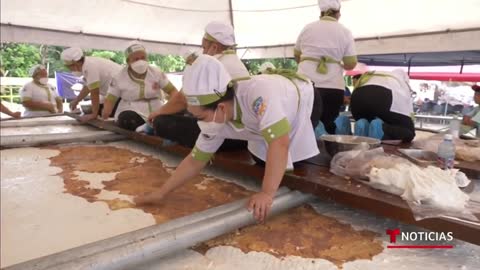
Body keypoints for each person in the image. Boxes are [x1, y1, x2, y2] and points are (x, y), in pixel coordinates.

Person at [135, 55, 319, 222]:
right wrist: (162, 192)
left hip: (304, 99)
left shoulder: (259, 96)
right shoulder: (217, 117)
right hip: (266, 117)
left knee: (298, 166)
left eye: (200, 117)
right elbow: (194, 161)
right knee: (266, 163)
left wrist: (266, 193)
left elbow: (280, 143)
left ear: (221, 108)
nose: (200, 123)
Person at [150, 21, 249, 149]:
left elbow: (182, 100)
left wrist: (157, 113)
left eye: (204, 47)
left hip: (227, 136)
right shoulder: (235, 62)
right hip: (245, 136)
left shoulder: (213, 65)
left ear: (214, 47)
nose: (203, 51)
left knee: (161, 122)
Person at [294, 0, 357, 134]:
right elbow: (351, 63)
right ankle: (328, 151)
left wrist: (310, 63)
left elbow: (297, 55)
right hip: (333, 86)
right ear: (338, 13)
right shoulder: (345, 31)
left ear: (321, 12)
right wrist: (336, 63)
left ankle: (303, 152)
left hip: (306, 83)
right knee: (328, 122)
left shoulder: (308, 28)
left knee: (305, 122)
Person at [101, 42, 179, 131]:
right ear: (128, 61)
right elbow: (110, 99)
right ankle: (149, 128)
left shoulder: (156, 72)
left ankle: (150, 127)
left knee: (173, 118)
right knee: (127, 119)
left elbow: (172, 91)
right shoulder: (119, 77)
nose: (140, 61)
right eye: (136, 59)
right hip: (132, 109)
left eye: (143, 58)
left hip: (156, 109)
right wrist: (105, 114)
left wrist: (170, 107)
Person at [349, 69, 415, 142]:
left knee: (364, 122)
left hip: (357, 96)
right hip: (384, 96)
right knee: (410, 133)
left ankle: (348, 126)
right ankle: (380, 129)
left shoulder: (381, 75)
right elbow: (409, 114)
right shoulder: (402, 84)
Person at [61, 47, 122, 122]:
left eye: (69, 67)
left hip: (122, 95)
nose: (70, 69)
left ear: (75, 64)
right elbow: (88, 87)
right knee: (99, 110)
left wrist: (94, 114)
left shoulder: (90, 66)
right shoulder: (88, 64)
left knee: (109, 114)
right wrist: (76, 101)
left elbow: (94, 92)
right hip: (115, 94)